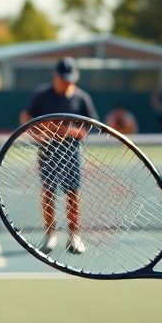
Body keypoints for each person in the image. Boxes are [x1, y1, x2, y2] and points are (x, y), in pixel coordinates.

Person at [20, 57, 98, 256]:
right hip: (47, 151)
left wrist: (70, 131)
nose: (67, 82)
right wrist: (39, 134)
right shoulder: (41, 95)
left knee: (72, 194)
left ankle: (74, 236)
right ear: (56, 77)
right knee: (48, 192)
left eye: (70, 78)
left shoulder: (82, 98)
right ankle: (50, 234)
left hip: (72, 152)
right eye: (63, 78)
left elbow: (89, 126)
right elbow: (26, 117)